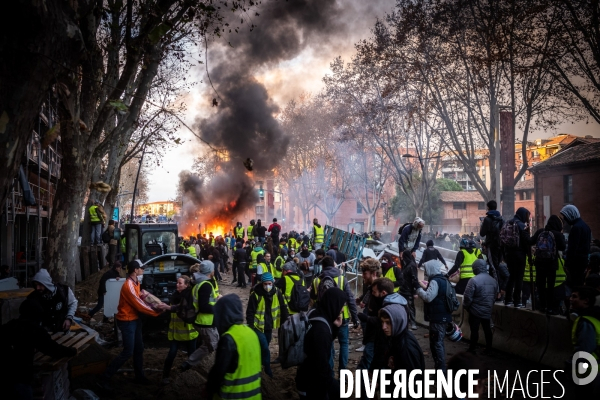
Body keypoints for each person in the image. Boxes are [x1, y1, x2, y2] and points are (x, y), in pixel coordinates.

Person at [99, 260, 167, 390]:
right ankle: (105, 377)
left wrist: (156, 303)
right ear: (135, 270)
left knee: (138, 349)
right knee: (128, 351)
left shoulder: (136, 283)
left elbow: (142, 297)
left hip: (134, 320)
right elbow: (139, 304)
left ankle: (139, 376)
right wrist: (156, 312)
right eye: (141, 269)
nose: (142, 271)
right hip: (127, 321)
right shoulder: (128, 285)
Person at [0, 299, 78, 400]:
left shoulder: (10, 325)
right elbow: (53, 349)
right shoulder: (33, 329)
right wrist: (72, 351)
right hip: (19, 378)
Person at [207, 294, 262, 400]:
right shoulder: (251, 333)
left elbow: (218, 372)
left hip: (232, 395)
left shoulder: (228, 338)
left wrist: (209, 390)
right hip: (254, 395)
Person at [310, 256, 359, 376]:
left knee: (329, 344)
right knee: (344, 344)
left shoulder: (317, 280)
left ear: (322, 267)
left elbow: (313, 300)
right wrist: (355, 316)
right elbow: (350, 299)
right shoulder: (342, 279)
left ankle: (330, 372)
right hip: (343, 316)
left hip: (326, 319)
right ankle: (343, 372)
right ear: (333, 265)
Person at [296, 287, 348, 400]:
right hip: (311, 383)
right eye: (341, 305)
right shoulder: (321, 330)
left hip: (305, 375)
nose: (342, 310)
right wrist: (333, 387)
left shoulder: (315, 312)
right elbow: (321, 365)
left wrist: (336, 327)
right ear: (333, 304)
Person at [246, 272, 288, 377]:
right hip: (257, 325)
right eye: (265, 284)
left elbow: (283, 307)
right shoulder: (255, 294)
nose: (267, 286)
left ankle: (258, 363)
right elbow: (250, 311)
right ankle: (267, 369)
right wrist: (251, 325)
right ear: (262, 283)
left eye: (269, 283)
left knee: (266, 344)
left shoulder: (277, 292)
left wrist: (285, 321)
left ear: (273, 283)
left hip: (269, 325)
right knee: (265, 346)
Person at [415, 259, 452, 373]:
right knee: (438, 344)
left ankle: (441, 373)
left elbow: (428, 297)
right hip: (443, 316)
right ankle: (439, 371)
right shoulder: (444, 280)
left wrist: (418, 289)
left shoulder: (435, 281)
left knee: (437, 346)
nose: (426, 272)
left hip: (437, 318)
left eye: (426, 270)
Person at [183, 260, 221, 370]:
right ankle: (215, 371)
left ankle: (189, 363)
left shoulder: (199, 282)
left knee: (206, 345)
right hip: (205, 322)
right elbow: (204, 306)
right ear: (210, 271)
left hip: (203, 321)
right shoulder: (206, 285)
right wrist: (218, 306)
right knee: (214, 348)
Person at [371, 302, 425, 376]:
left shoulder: (406, 347)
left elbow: (413, 380)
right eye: (382, 322)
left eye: (388, 322)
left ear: (398, 321)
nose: (384, 327)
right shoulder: (395, 337)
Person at [162, 275, 198, 385]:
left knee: (192, 356)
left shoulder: (189, 296)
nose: (177, 285)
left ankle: (191, 377)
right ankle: (165, 376)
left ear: (187, 285)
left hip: (189, 333)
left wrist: (169, 308)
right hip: (176, 332)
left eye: (180, 283)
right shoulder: (174, 296)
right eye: (177, 282)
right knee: (171, 354)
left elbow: (182, 308)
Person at [529, 215, 566, 313]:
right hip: (551, 264)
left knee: (540, 285)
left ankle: (542, 306)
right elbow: (563, 247)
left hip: (539, 263)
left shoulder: (540, 232)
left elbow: (531, 241)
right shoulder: (557, 234)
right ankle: (550, 307)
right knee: (550, 286)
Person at [568, 286, 600, 395]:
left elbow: (585, 349)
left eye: (574, 297)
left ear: (586, 301)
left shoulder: (585, 322)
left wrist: (571, 364)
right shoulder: (595, 317)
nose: (570, 299)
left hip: (590, 370)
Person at [463, 259, 498, 355]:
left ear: (476, 268)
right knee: (487, 330)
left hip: (475, 310)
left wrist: (466, 306)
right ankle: (489, 349)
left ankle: (472, 348)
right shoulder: (493, 280)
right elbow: (495, 296)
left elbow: (467, 297)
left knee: (474, 330)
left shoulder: (473, 280)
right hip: (487, 310)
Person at [27, 268, 78, 333]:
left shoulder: (64, 291)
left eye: (40, 284)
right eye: (36, 285)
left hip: (62, 332)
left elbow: (73, 303)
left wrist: (69, 318)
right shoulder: (33, 297)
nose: (38, 288)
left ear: (46, 283)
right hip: (44, 335)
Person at [355, 259, 381, 369]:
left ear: (373, 273)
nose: (363, 276)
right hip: (371, 337)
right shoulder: (372, 289)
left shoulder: (380, 292)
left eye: (365, 273)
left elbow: (383, 319)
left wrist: (367, 318)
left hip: (376, 337)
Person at [504, 207, 532, 308]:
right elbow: (526, 242)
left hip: (509, 254)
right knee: (519, 278)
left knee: (511, 276)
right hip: (520, 254)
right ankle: (517, 301)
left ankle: (507, 300)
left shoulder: (508, 223)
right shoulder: (521, 225)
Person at [561, 205, 592, 288]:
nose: (565, 219)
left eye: (565, 216)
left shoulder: (576, 228)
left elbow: (572, 248)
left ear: (570, 214)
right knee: (580, 284)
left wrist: (567, 264)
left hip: (575, 264)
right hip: (583, 261)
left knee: (574, 286)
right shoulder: (586, 226)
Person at [480, 200, 504, 271]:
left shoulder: (487, 219)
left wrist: (482, 225)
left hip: (491, 245)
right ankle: (499, 281)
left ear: (488, 208)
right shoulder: (501, 219)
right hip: (500, 245)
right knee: (498, 265)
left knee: (492, 265)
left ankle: (494, 281)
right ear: (496, 207)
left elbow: (482, 233)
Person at [400, 250, 419, 330]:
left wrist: (415, 292)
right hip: (403, 289)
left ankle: (413, 323)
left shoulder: (411, 266)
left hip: (409, 290)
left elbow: (414, 279)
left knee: (410, 307)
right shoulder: (406, 264)